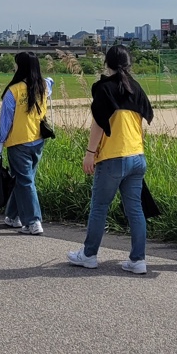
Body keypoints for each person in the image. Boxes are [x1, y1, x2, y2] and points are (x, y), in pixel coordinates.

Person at [68, 45, 153, 274]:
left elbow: (99, 123)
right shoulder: (135, 88)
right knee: (135, 209)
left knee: (99, 207)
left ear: (107, 64)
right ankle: (138, 260)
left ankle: (89, 255)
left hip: (113, 158)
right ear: (129, 64)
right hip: (137, 156)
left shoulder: (104, 88)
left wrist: (90, 153)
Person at [0, 52, 52, 235]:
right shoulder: (43, 86)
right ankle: (13, 217)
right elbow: (51, 82)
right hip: (38, 140)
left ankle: (34, 221)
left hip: (18, 142)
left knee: (25, 181)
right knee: (23, 179)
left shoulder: (14, 90)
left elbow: (6, 120)